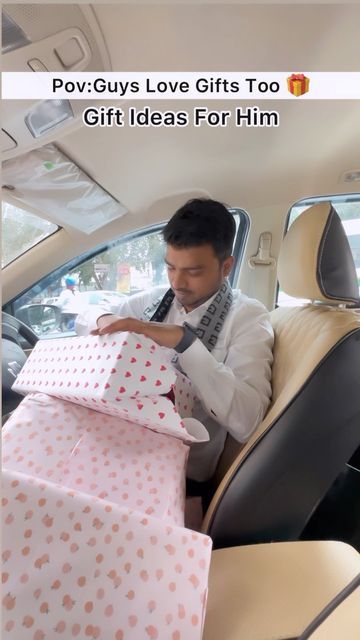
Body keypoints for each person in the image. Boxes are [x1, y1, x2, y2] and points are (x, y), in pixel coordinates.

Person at [89, 199, 274, 485]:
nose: (177, 282)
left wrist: (187, 344)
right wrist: (103, 319)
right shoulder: (156, 302)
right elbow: (89, 316)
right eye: (171, 267)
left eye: (193, 271)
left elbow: (248, 422)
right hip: (123, 441)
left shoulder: (248, 318)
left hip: (178, 473)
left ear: (226, 267)